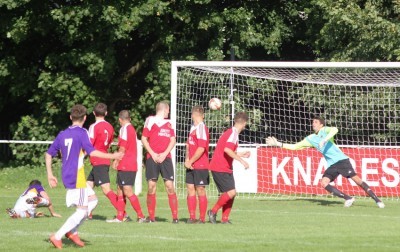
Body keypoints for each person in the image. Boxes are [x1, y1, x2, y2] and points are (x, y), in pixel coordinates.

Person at [45, 104, 123, 249]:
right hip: (76, 177)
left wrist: (50, 174)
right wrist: (113, 155)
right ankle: (57, 236)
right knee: (82, 210)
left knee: (93, 201)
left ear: (70, 117)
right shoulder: (82, 133)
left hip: (68, 175)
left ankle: (73, 231)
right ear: (85, 118)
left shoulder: (62, 134)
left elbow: (48, 154)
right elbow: (92, 152)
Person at [266, 116, 385, 208]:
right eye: (313, 122)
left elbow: (335, 129)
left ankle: (377, 200)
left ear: (321, 125)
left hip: (342, 160)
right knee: (324, 183)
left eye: (316, 122)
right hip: (332, 164)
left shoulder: (325, 131)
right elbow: (296, 146)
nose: (313, 124)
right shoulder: (311, 138)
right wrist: (279, 144)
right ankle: (348, 198)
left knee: (358, 181)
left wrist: (325, 139)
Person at [208, 112, 250, 224]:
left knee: (232, 193)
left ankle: (224, 219)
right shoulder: (233, 133)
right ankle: (212, 211)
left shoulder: (231, 132)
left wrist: (241, 154)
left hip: (224, 167)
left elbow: (227, 149)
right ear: (244, 123)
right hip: (219, 167)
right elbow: (227, 150)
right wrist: (242, 161)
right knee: (231, 192)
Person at [142, 101, 178, 223]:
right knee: (151, 186)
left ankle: (175, 218)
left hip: (165, 158)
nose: (169, 112)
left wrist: (164, 154)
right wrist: (152, 153)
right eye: (168, 110)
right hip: (152, 157)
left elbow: (172, 140)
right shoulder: (150, 120)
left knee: (169, 186)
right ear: (165, 109)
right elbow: (144, 138)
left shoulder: (169, 123)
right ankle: (151, 217)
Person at [107, 110, 146, 223]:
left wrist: (116, 159)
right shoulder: (131, 128)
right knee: (120, 189)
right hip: (127, 163)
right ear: (129, 118)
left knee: (127, 190)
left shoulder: (125, 129)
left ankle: (141, 216)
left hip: (127, 164)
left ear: (120, 120)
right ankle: (120, 217)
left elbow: (123, 147)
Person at [86, 103, 119, 220]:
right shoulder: (110, 126)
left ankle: (122, 213)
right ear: (106, 113)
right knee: (87, 186)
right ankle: (87, 213)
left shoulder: (93, 127)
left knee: (106, 189)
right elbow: (109, 143)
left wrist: (80, 156)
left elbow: (89, 144)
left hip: (98, 160)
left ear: (94, 113)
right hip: (103, 159)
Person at [185, 106, 210, 224]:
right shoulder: (192, 128)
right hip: (191, 164)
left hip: (200, 164)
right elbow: (188, 145)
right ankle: (192, 217)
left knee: (200, 189)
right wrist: (187, 160)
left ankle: (202, 218)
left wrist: (191, 161)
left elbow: (201, 148)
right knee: (190, 188)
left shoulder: (201, 128)